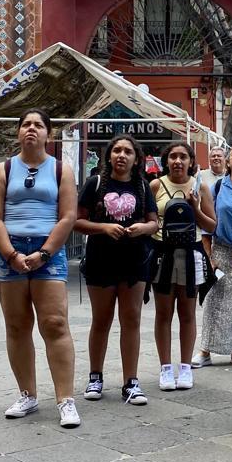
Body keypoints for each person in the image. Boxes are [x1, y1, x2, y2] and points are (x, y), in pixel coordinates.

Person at [0, 109, 80, 428]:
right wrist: (11, 254)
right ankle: (27, 394)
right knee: (17, 325)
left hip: (47, 248)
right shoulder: (2, 169)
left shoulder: (61, 169)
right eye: (26, 124)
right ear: (18, 132)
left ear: (48, 134)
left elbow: (68, 216)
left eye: (38, 125)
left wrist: (44, 252)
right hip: (10, 249)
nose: (31, 129)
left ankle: (65, 399)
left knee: (55, 323)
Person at [75, 135, 159, 406]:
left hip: (135, 261)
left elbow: (154, 222)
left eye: (128, 152)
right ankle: (95, 376)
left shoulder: (142, 186)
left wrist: (143, 228)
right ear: (109, 156)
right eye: (117, 151)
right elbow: (76, 221)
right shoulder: (95, 184)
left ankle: (131, 381)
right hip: (101, 259)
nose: (122, 155)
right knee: (101, 319)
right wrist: (104, 227)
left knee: (131, 319)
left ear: (136, 159)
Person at [150, 141, 217, 390]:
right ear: (166, 161)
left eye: (183, 157)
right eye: (173, 157)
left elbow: (211, 225)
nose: (178, 161)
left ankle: (186, 367)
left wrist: (195, 208)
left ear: (191, 162)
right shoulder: (156, 185)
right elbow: (148, 220)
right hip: (162, 252)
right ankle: (166, 368)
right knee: (163, 313)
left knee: (187, 313)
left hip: (191, 252)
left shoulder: (201, 187)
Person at [194, 142, 232, 367]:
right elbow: (207, 226)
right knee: (214, 300)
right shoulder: (218, 187)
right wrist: (209, 256)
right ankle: (205, 350)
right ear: (228, 161)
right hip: (221, 249)